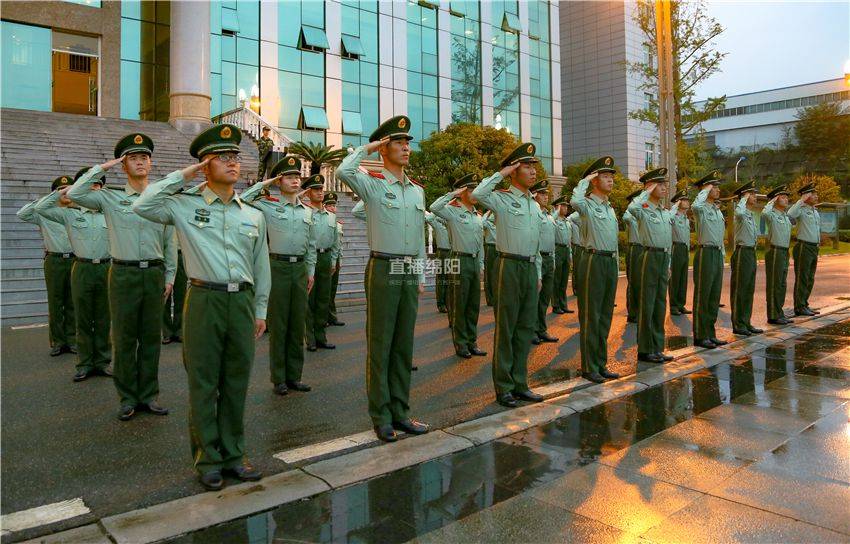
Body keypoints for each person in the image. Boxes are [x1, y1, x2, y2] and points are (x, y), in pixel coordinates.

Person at [132, 124, 271, 491]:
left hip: (240, 301)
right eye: (221, 157)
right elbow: (142, 204)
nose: (232, 163)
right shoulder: (183, 205)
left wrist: (260, 309)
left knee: (236, 382)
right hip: (204, 298)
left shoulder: (252, 214)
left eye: (235, 157)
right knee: (204, 384)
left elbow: (261, 266)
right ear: (204, 165)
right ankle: (208, 459)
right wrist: (184, 174)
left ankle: (234, 454)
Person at [68, 134, 177, 421]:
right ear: (123, 165)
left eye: (144, 157)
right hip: (123, 273)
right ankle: (128, 397)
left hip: (154, 274)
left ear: (151, 163)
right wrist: (102, 168)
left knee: (151, 338)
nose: (140, 162)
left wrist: (170, 276)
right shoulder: (110, 197)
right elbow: (75, 194)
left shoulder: (161, 198)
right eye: (132, 158)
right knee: (126, 338)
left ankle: (149, 395)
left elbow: (169, 240)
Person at [335, 115, 430, 443]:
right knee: (381, 344)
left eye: (408, 143)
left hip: (407, 271)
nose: (405, 147)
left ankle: (401, 411)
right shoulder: (373, 184)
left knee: (404, 345)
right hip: (383, 268)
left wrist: (419, 272)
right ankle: (381, 415)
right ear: (384, 148)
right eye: (398, 142)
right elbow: (343, 171)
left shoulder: (417, 192)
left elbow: (418, 236)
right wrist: (368, 148)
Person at [471, 142, 545, 408]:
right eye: (526, 166)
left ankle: (521, 383)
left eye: (533, 166)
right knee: (507, 328)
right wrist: (502, 173)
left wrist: (536, 273)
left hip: (528, 268)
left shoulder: (535, 205)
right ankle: (503, 387)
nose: (532, 171)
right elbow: (478, 193)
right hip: (509, 266)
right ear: (514, 170)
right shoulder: (501, 198)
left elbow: (536, 242)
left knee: (525, 328)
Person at [241, 155, 317, 395]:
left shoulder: (307, 211)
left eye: (297, 176)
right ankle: (279, 378)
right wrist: (267, 182)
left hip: (300, 268)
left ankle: (295, 376)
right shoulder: (268, 204)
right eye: (289, 177)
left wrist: (311, 271)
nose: (295, 181)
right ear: (279, 181)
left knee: (297, 324)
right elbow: (243, 199)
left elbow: (312, 244)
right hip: (277, 268)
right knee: (280, 324)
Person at [34, 172, 112, 382]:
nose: (94, 189)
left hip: (106, 267)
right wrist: (63, 192)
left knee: (104, 317)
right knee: (83, 317)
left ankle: (103, 361)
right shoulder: (70, 213)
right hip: (82, 267)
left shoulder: (111, 212)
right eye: (90, 185)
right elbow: (40, 209)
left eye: (98, 186)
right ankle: (85, 363)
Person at [570, 156, 621, 384]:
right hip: (593, 261)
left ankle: (601, 363)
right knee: (592, 315)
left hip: (610, 262)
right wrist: (585, 181)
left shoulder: (610, 208)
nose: (610, 181)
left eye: (611, 177)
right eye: (605, 177)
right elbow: (574, 201)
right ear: (594, 180)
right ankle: (590, 366)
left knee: (605, 316)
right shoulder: (587, 204)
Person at [17, 176, 76, 356]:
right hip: (55, 260)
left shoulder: (78, 211)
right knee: (56, 302)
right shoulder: (45, 213)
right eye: (61, 189)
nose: (66, 192)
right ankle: (58, 342)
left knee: (72, 302)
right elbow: (22, 213)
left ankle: (72, 340)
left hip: (75, 260)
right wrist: (49, 198)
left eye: (69, 189)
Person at [430, 173, 486, 359]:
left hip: (473, 261)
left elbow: (480, 244)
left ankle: (472, 341)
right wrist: (453, 194)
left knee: (473, 305)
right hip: (458, 260)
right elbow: (434, 207)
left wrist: (481, 265)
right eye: (470, 189)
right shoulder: (452, 211)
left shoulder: (477, 216)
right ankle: (461, 343)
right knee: (459, 305)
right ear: (462, 192)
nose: (475, 193)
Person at [627, 168, 674, 363]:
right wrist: (646, 191)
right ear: (650, 186)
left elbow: (667, 240)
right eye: (659, 184)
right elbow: (631, 209)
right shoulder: (643, 208)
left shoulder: (663, 212)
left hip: (663, 258)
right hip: (649, 256)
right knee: (648, 303)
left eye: (664, 184)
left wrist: (669, 262)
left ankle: (657, 347)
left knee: (660, 304)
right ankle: (645, 349)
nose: (663, 188)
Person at [690, 171, 728, 349]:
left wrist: (722, 253)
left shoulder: (716, 209)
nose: (718, 190)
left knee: (714, 296)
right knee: (703, 295)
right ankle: (700, 334)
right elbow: (695, 205)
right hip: (705, 252)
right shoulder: (702, 208)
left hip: (717, 253)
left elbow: (720, 235)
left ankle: (710, 333)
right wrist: (705, 190)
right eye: (714, 187)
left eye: (718, 186)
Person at [302, 174, 339, 352]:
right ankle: (310, 339)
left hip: (326, 258)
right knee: (310, 300)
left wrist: (333, 262)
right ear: (308, 192)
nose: (319, 192)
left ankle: (321, 336)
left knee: (324, 298)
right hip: (310, 258)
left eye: (321, 189)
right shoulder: (304, 213)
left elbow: (335, 242)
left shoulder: (331, 217)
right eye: (315, 189)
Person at [730, 181, 764, 336]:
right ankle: (738, 324)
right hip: (742, 252)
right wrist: (743, 199)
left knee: (749, 289)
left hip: (751, 252)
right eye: (752, 194)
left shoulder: (750, 214)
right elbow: (739, 213)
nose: (755, 197)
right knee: (740, 289)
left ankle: (746, 321)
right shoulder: (741, 212)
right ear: (744, 196)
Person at [530, 179, 559, 344]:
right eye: (542, 194)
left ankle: (541, 329)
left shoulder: (548, 215)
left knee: (545, 299)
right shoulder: (533, 213)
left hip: (549, 258)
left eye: (546, 194)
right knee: (534, 298)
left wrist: (553, 259)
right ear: (534, 195)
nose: (545, 197)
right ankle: (531, 330)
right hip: (537, 258)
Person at [788, 183, 821, 316]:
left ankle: (804, 303)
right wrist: (801, 200)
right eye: (813, 194)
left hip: (814, 248)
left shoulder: (815, 211)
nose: (816, 196)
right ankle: (799, 306)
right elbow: (790, 213)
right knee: (803, 277)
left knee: (810, 278)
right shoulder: (800, 209)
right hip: (804, 247)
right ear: (806, 195)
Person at [762, 185, 793, 325]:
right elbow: (764, 214)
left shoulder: (784, 216)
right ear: (775, 200)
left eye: (787, 197)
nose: (786, 199)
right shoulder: (771, 213)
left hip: (784, 251)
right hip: (775, 251)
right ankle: (773, 315)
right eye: (783, 197)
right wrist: (771, 201)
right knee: (775, 283)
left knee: (782, 284)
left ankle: (779, 312)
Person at [668, 190, 691, 316]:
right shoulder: (673, 216)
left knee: (683, 278)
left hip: (684, 248)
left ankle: (681, 304)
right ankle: (673, 305)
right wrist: (674, 207)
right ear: (678, 202)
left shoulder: (686, 218)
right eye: (684, 200)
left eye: (687, 200)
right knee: (675, 278)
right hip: (675, 247)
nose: (687, 202)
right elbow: (668, 219)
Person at [324, 194, 346, 327]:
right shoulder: (323, 221)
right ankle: (322, 317)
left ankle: (331, 316)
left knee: (332, 290)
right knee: (324, 290)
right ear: (324, 206)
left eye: (334, 205)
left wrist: (340, 261)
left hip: (336, 259)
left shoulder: (338, 224)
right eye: (329, 205)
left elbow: (339, 246)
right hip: (326, 258)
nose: (332, 208)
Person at [622, 189, 643, 324]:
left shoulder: (643, 214)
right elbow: (626, 217)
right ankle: (633, 312)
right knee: (634, 282)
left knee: (643, 282)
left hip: (645, 248)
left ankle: (641, 310)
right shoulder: (629, 215)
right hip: (635, 249)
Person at [551, 196, 574, 314]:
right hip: (557, 249)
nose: (565, 208)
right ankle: (555, 305)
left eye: (566, 206)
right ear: (557, 207)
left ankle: (563, 304)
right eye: (563, 206)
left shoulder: (567, 222)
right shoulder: (553, 219)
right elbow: (551, 224)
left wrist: (570, 254)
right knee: (556, 279)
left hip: (565, 250)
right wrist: (556, 212)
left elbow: (569, 240)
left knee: (564, 279)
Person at [426, 211, 452, 314]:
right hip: (442, 253)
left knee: (450, 279)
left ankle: (448, 302)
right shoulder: (437, 223)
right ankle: (441, 304)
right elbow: (428, 219)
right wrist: (437, 212)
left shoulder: (452, 224)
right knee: (441, 278)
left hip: (452, 252)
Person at [162, 240, 187, 344]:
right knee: (164, 294)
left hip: (180, 253)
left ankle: (179, 331)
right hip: (164, 254)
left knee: (181, 296)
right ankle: (167, 332)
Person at [482, 209, 497, 306]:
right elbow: (481, 222)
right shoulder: (487, 223)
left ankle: (495, 297)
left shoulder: (500, 223)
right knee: (489, 274)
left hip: (499, 248)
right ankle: (490, 298)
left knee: (497, 274)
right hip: (490, 248)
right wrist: (488, 212)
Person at [568, 208, 583, 296]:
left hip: (584, 246)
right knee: (577, 268)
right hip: (576, 246)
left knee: (583, 269)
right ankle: (576, 288)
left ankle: (582, 287)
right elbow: (569, 219)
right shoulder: (574, 216)